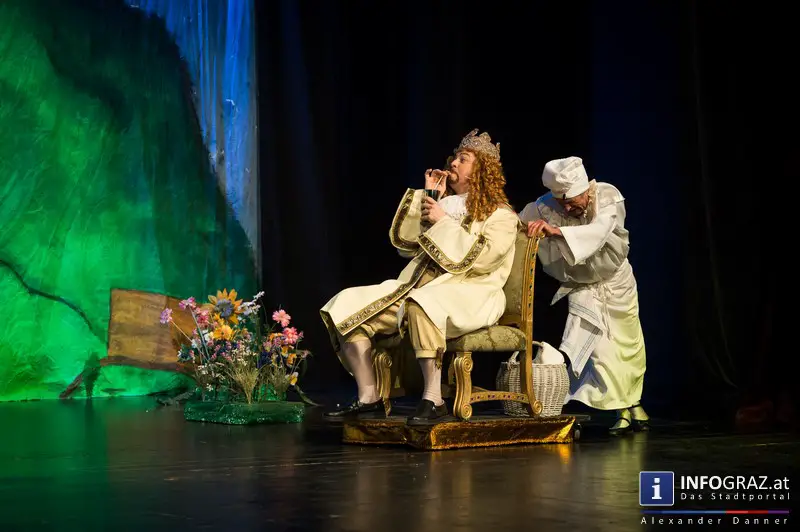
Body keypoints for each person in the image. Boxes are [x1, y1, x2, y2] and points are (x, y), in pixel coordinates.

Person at [320, 129, 520, 424]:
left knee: (423, 304)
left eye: (463, 159)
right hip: (415, 284)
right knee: (346, 306)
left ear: (482, 170)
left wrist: (443, 222)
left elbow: (484, 259)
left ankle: (433, 399)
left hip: (473, 290)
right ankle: (369, 396)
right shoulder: (445, 205)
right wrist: (429, 198)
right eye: (455, 158)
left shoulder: (500, 214)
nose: (453, 163)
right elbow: (406, 246)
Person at [518, 156, 649, 436]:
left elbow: (599, 231)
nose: (566, 207)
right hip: (583, 286)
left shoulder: (607, 196)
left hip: (618, 282)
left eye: (571, 201)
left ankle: (633, 404)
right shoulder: (542, 207)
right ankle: (622, 411)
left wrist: (557, 232)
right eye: (561, 202)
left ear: (585, 189)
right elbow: (514, 227)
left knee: (629, 346)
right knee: (601, 351)